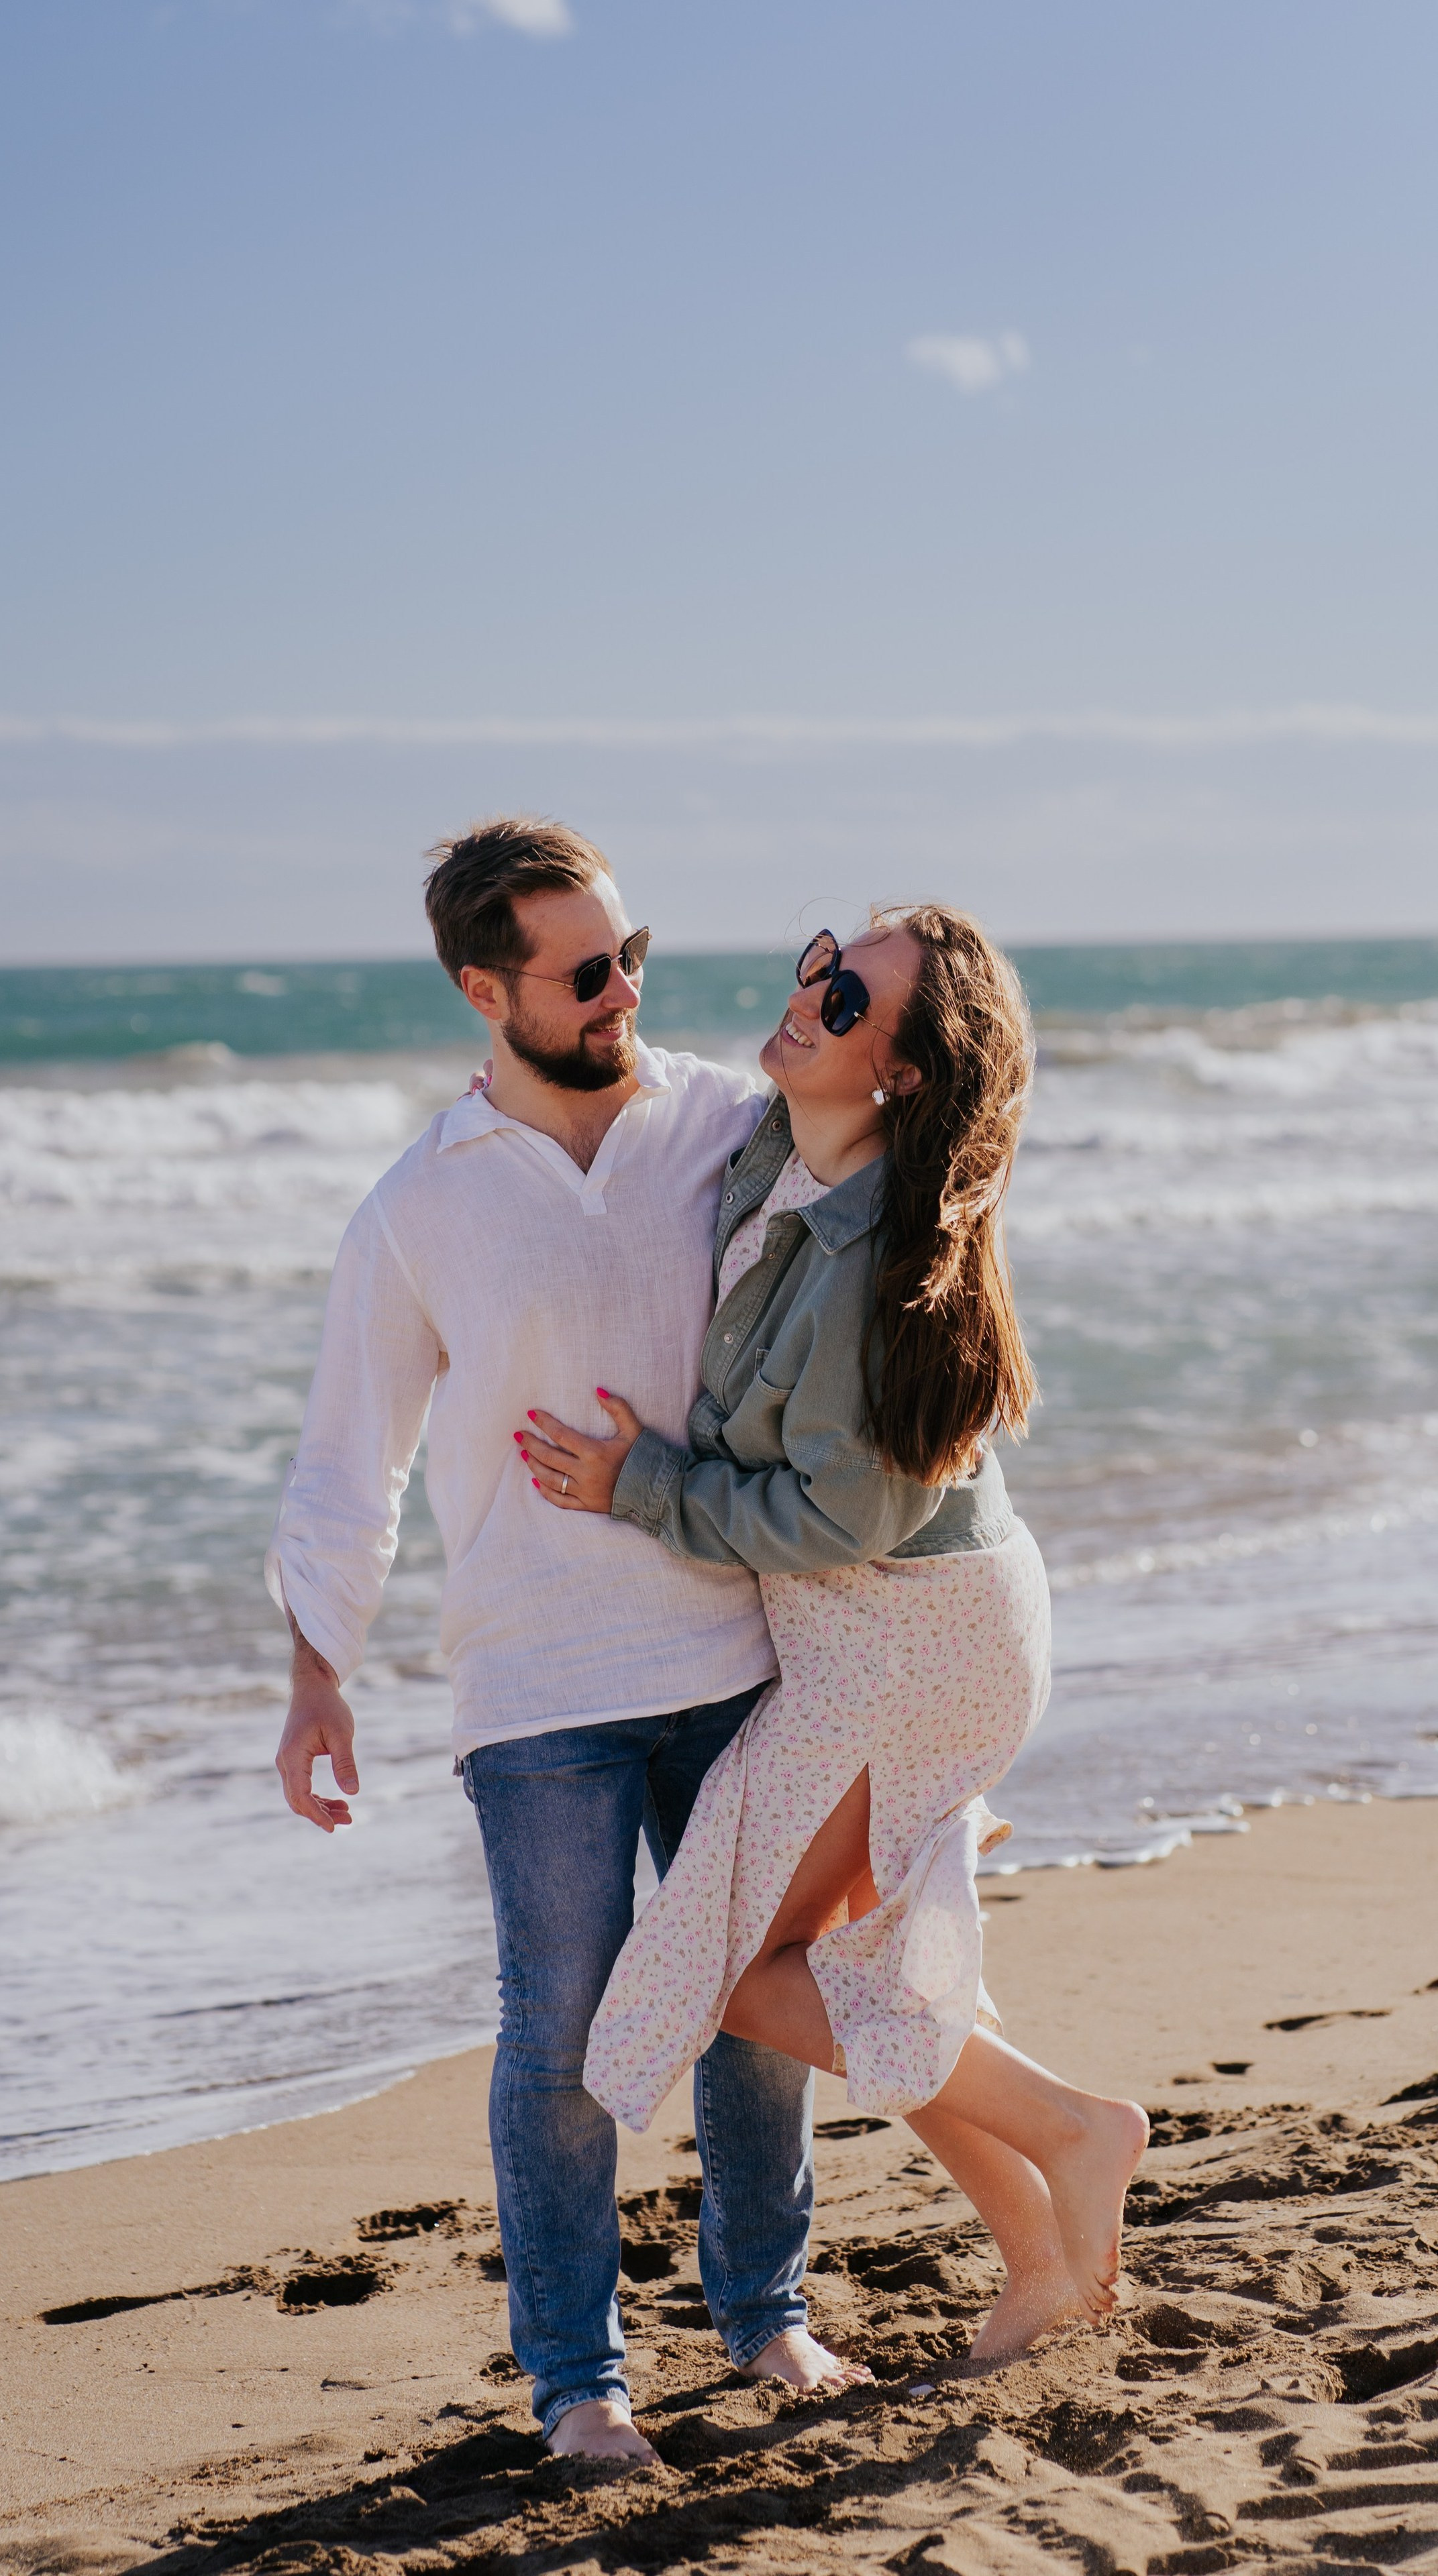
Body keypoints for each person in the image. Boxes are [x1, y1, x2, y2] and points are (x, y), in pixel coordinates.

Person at [267, 818, 870, 2465]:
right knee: (563, 2031)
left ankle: (763, 2312)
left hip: (738, 1645)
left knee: (754, 2000)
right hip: (536, 1681)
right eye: (585, 971)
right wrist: (317, 1678)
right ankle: (578, 2382)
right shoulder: (420, 1204)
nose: (623, 991)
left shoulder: (724, 1124)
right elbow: (351, 1453)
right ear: (486, 991)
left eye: (633, 955)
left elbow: (878, 1237)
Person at [516, 906, 1150, 2365]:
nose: (808, 994)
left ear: (904, 1073)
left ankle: (1076, 2130)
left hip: (912, 1645)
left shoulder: (874, 1262)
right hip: (888, 1634)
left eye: (848, 997)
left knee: (739, 1970)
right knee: (853, 1974)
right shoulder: (781, 1150)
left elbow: (833, 1518)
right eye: (818, 962)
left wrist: (641, 1487)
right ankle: (1044, 2258)